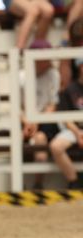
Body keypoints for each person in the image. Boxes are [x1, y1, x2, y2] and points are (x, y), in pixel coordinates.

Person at [19, 39, 60, 190]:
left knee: (41, 140)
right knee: (16, 139)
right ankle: (18, 184)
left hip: (45, 121)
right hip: (24, 121)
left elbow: (52, 105)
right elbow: (17, 107)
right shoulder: (21, 76)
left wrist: (36, 121)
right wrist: (26, 122)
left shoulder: (53, 74)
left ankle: (38, 184)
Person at [49, 58, 83, 189]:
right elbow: (65, 117)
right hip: (73, 130)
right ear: (79, 67)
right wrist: (78, 133)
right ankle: (74, 182)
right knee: (56, 147)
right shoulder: (70, 89)